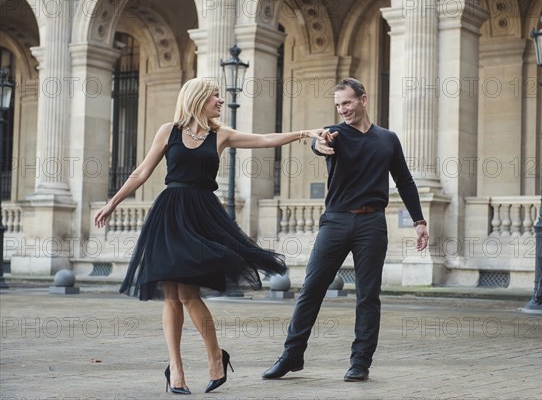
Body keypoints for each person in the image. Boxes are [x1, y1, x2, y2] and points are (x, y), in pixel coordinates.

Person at [94, 77, 323, 395]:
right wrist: (112, 202)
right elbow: (142, 171)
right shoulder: (169, 131)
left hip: (201, 215)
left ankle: (215, 356)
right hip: (169, 215)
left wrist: (303, 133)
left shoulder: (220, 134)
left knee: (188, 294)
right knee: (171, 296)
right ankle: (176, 369)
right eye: (215, 95)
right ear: (199, 98)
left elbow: (265, 139)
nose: (220, 100)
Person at [262, 78, 429, 382]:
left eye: (347, 103)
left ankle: (360, 363)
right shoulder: (335, 133)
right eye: (338, 105)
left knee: (368, 296)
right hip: (336, 221)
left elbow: (404, 180)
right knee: (311, 290)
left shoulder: (388, 139)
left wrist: (419, 221)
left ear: (363, 100)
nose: (343, 110)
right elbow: (320, 142)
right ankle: (291, 355)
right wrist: (320, 143)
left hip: (372, 224)